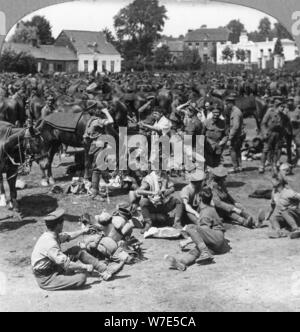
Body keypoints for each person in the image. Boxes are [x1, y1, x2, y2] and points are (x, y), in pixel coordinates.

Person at [31, 209, 124, 291]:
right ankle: (65, 276)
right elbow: (67, 264)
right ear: (58, 225)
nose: (63, 224)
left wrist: (83, 231)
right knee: (81, 278)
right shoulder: (50, 243)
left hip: (52, 267)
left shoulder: (51, 234)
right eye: (62, 222)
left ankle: (104, 269)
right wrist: (85, 266)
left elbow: (67, 236)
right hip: (47, 278)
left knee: (76, 250)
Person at [165, 187, 230, 271]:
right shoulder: (210, 208)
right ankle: (181, 263)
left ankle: (205, 252)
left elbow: (201, 231)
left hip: (216, 238)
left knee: (190, 227)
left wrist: (187, 241)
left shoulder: (205, 213)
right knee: (197, 250)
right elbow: (203, 235)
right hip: (218, 244)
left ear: (199, 199)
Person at [259, 97, 287, 175]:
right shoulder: (270, 112)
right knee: (265, 150)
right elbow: (263, 123)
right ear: (277, 106)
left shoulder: (283, 115)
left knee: (276, 150)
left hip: (278, 135)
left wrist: (283, 135)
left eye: (284, 107)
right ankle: (262, 166)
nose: (283, 108)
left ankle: (274, 165)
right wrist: (264, 133)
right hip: (269, 134)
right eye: (281, 106)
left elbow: (285, 124)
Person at [225, 95, 245, 173]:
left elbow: (235, 126)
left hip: (236, 135)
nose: (226, 106)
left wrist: (230, 137)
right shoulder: (235, 110)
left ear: (231, 103)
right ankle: (240, 166)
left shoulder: (235, 112)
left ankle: (235, 167)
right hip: (239, 135)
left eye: (227, 104)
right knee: (237, 150)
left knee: (232, 150)